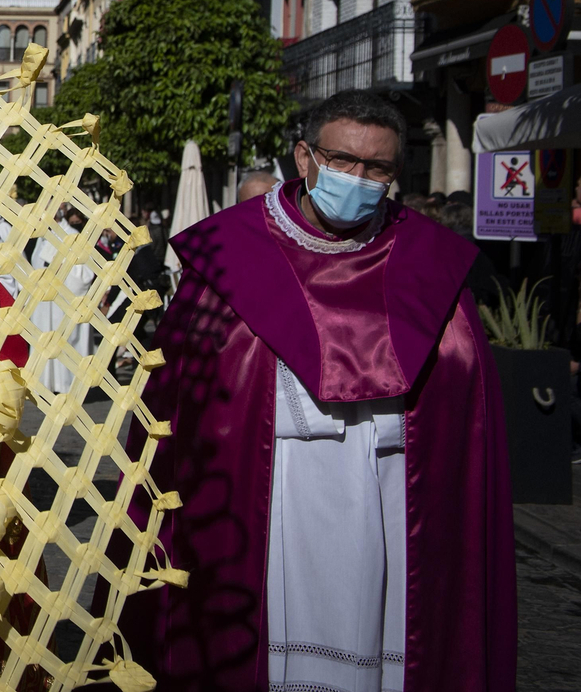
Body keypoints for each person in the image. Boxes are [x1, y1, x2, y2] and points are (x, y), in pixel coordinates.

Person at [125, 89, 514, 691]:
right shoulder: (229, 256)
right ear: (305, 158)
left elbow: (464, 403)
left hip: (390, 494)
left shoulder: (429, 262)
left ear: (395, 174)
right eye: (342, 161)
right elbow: (181, 400)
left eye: (377, 168)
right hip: (271, 489)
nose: (357, 178)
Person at [27, 202, 97, 394]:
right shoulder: (42, 239)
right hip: (44, 306)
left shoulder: (72, 238)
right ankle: (47, 384)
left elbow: (84, 276)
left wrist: (59, 274)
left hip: (63, 304)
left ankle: (67, 387)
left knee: (65, 346)